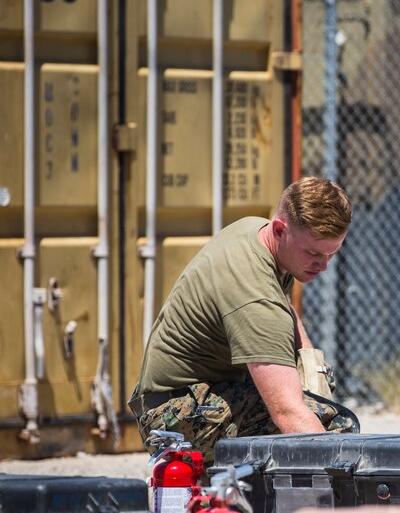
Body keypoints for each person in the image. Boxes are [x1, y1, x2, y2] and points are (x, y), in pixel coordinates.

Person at [129, 177, 359, 461]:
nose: (323, 266)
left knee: (314, 405)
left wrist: (309, 364)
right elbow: (289, 414)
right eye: (313, 253)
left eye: (331, 254)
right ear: (279, 230)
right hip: (174, 418)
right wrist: (338, 476)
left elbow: (284, 304)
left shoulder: (257, 231)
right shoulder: (256, 298)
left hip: (188, 396)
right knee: (335, 425)